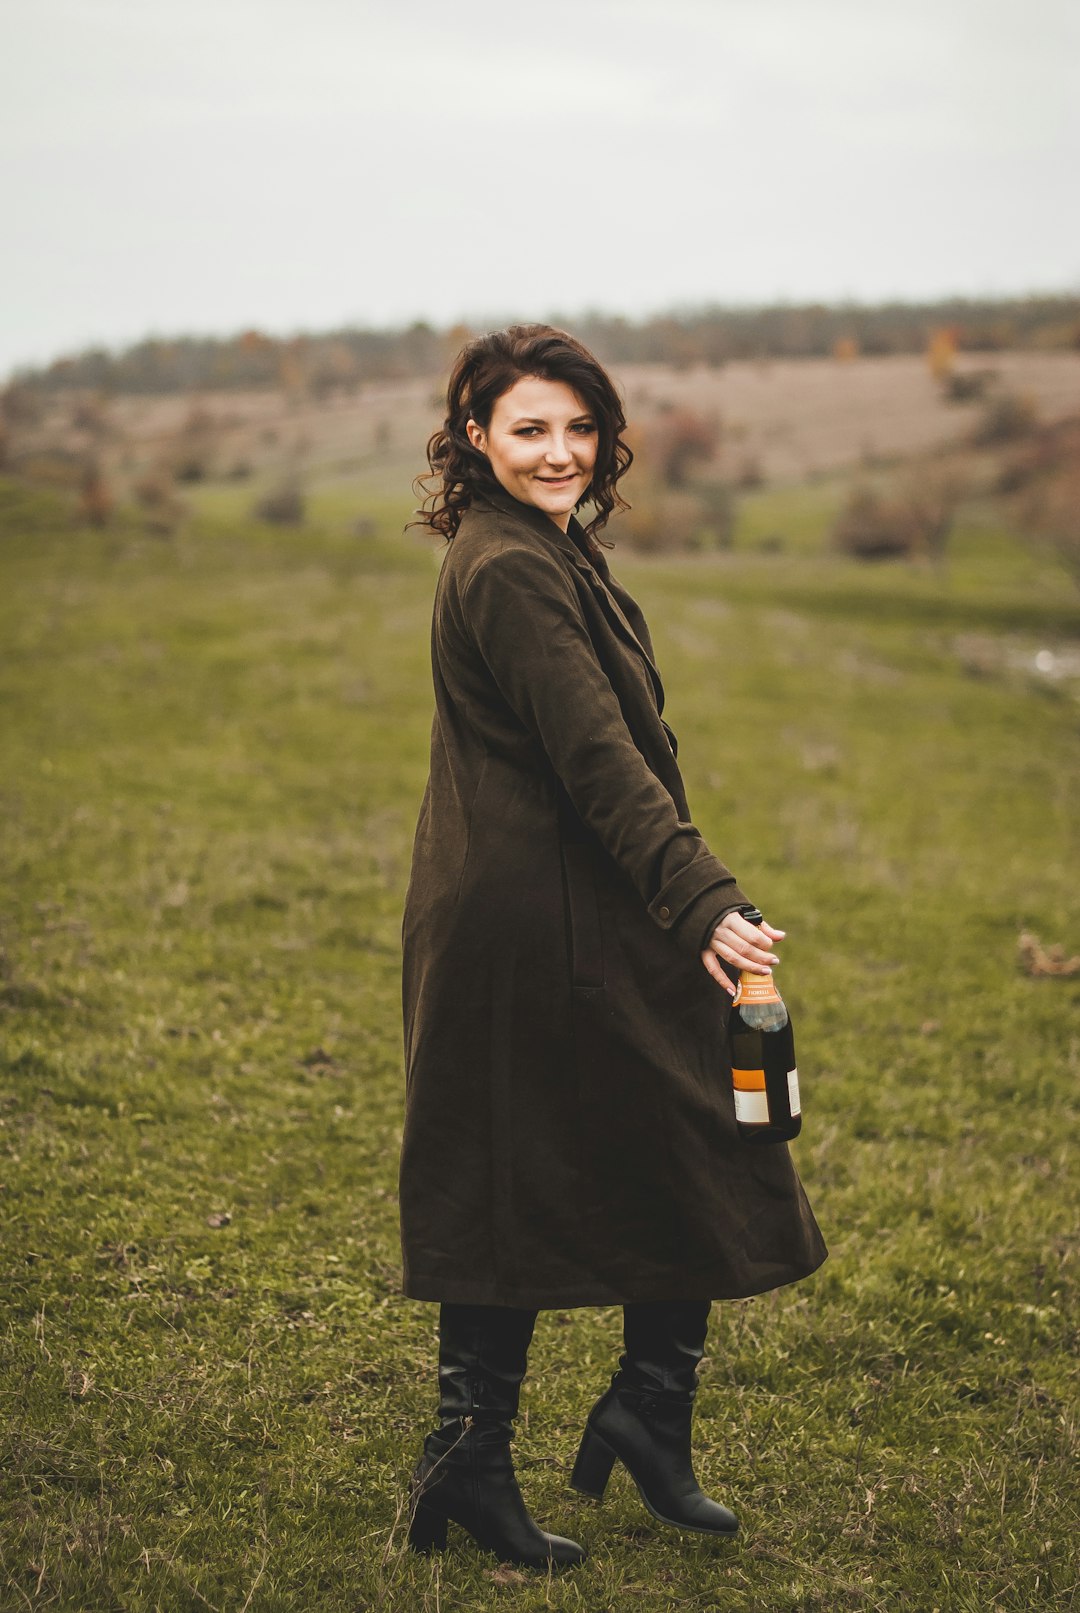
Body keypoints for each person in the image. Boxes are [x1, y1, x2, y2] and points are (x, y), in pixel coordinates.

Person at [399, 324, 827, 1569]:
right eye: (530, 427)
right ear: (475, 436)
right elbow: (599, 754)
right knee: (512, 1173)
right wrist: (700, 898)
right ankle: (472, 1460)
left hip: (578, 903)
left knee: (681, 1127)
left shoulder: (542, 547)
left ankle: (646, 1407)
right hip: (534, 922)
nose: (561, 451)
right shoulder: (511, 567)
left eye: (579, 427)